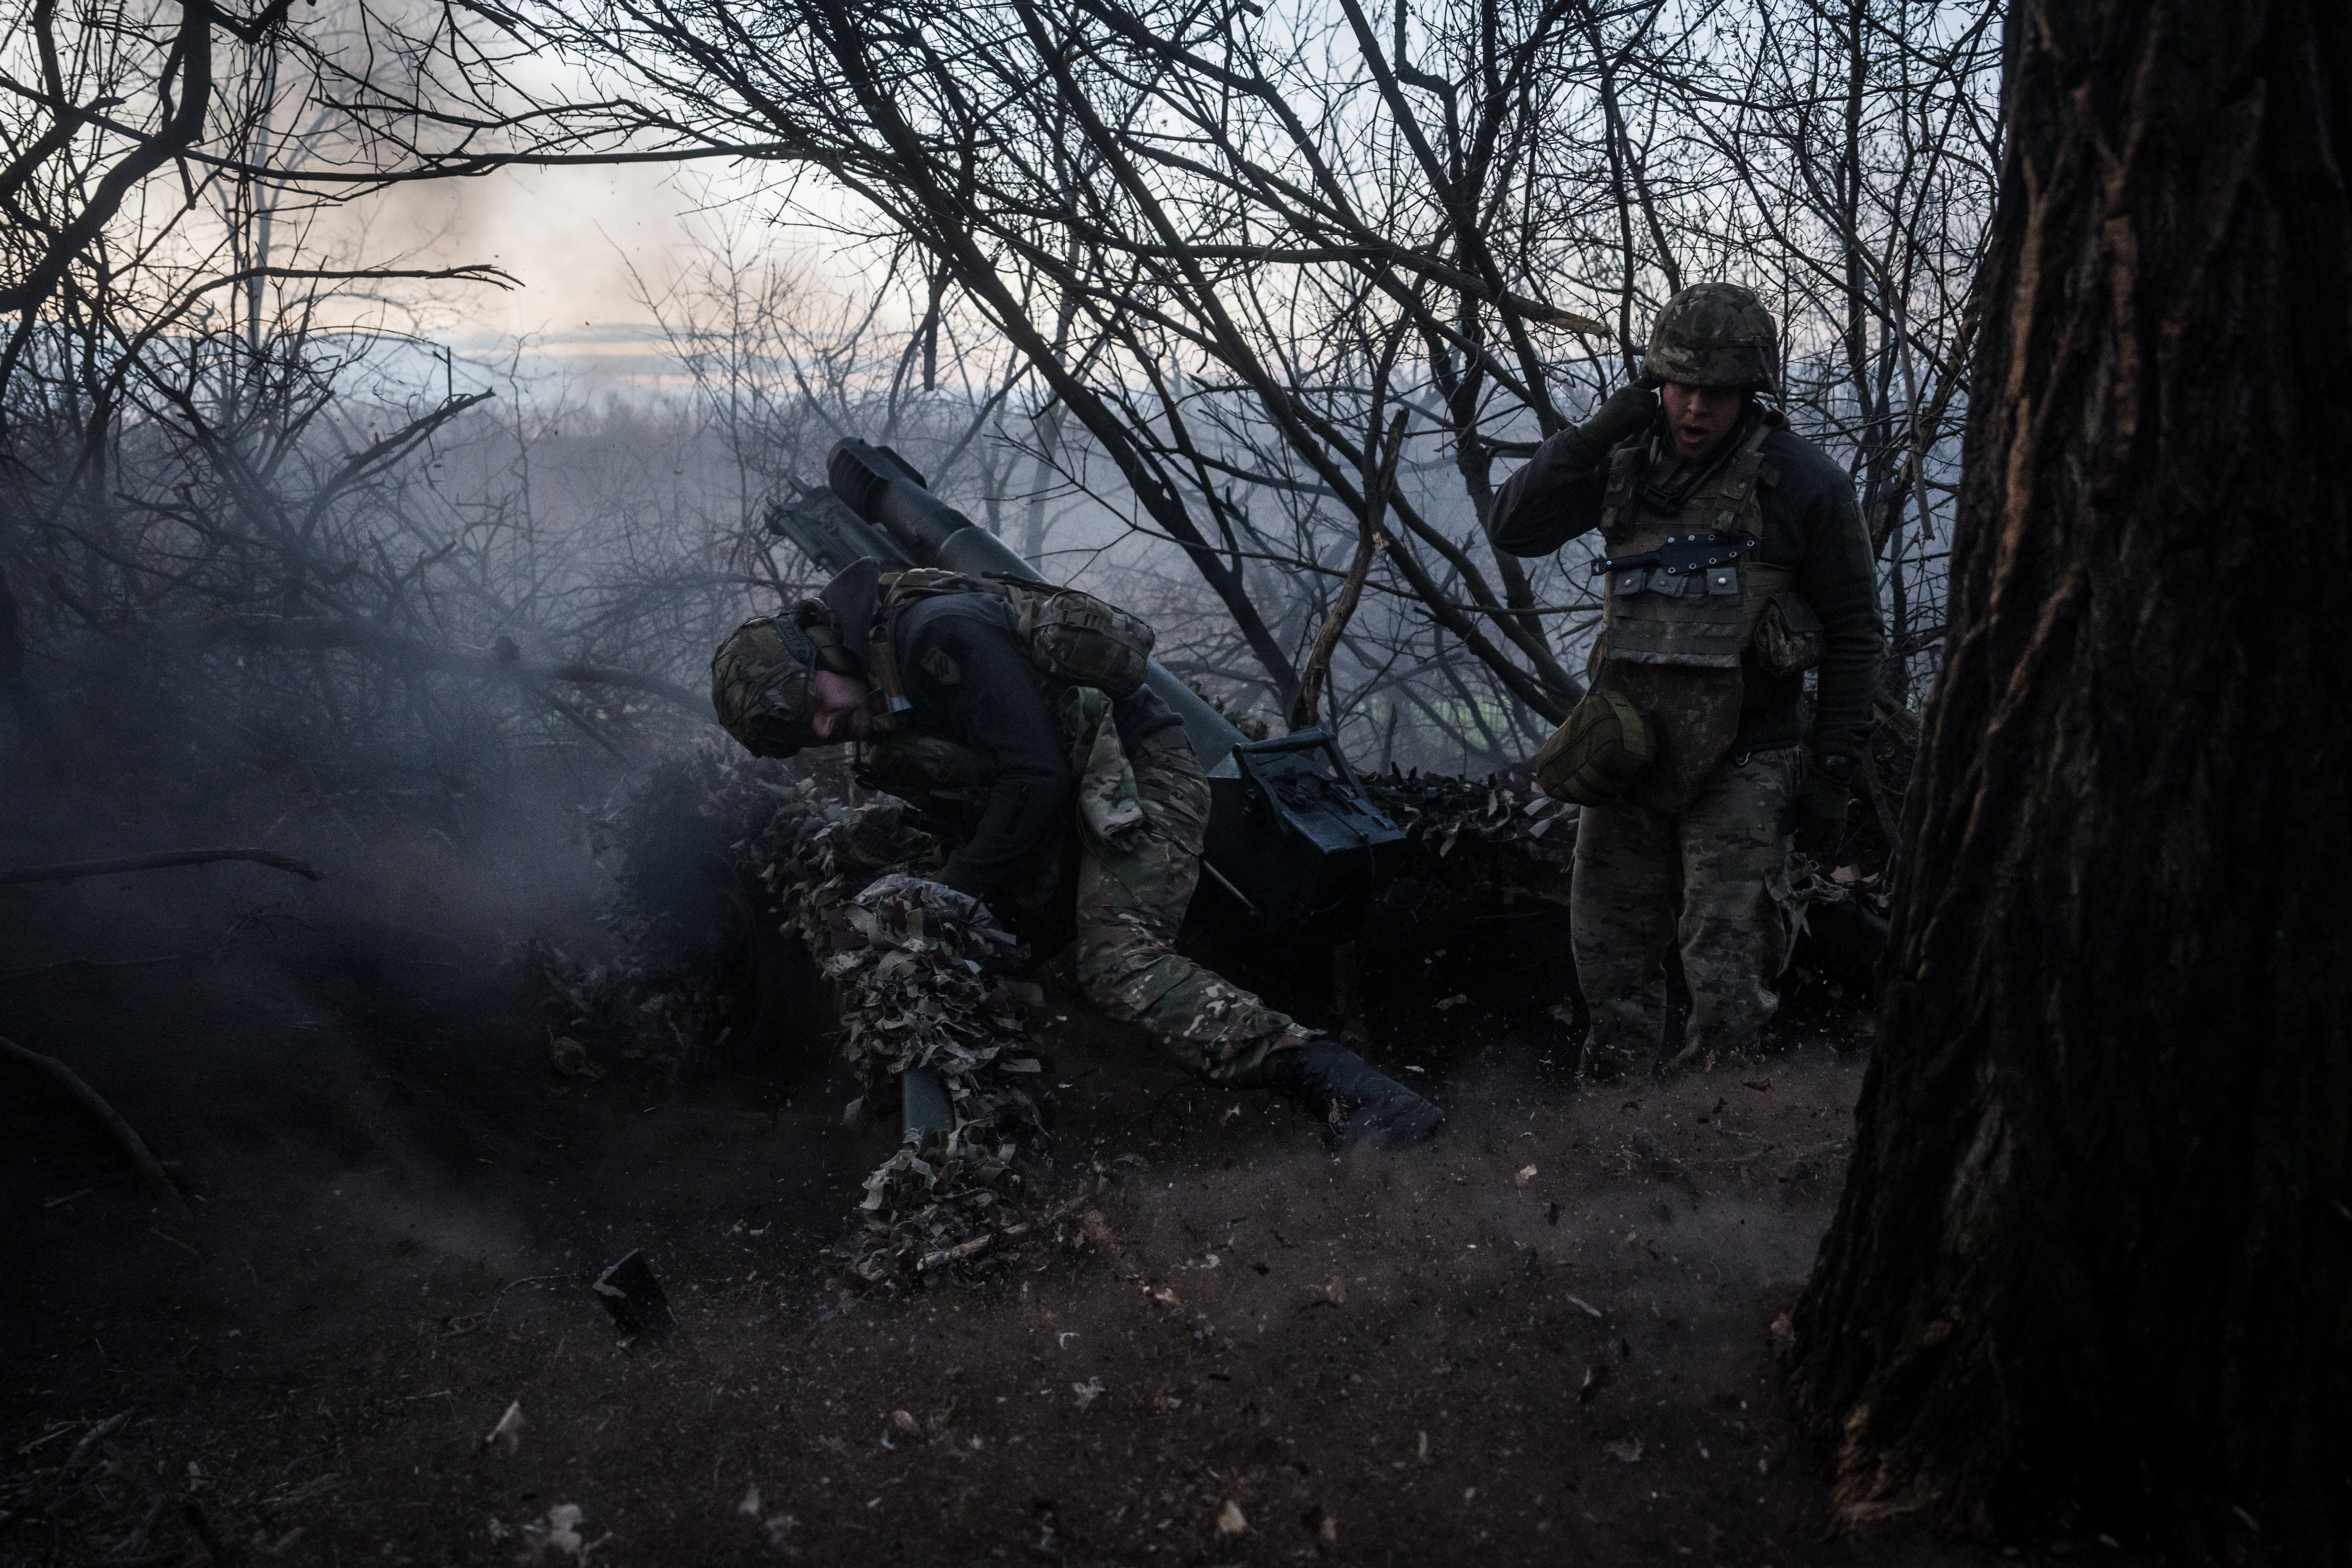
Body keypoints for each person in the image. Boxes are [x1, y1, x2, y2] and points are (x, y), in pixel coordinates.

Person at [709, 555, 1442, 1146]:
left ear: (822, 650)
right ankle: (970, 1152)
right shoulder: (877, 682)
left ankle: (1353, 1091)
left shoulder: (935, 636)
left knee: (1118, 963)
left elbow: (1035, 773)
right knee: (953, 951)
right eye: (814, 735)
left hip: (1137, 771)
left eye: (820, 709)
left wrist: (955, 894)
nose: (833, 730)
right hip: (1062, 796)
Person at [1489, 283, 1883, 1078]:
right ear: (1655, 382)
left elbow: (1853, 631)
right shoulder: (1625, 461)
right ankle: (1616, 1150)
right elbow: (1514, 527)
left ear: (1752, 391)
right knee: (1608, 963)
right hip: (1628, 754)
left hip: (1749, 759)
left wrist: (1834, 765)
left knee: (1729, 978)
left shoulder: (1806, 484)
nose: (1696, 407)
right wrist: (1604, 427)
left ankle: (1719, 1150)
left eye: (1719, 392)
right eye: (1681, 386)